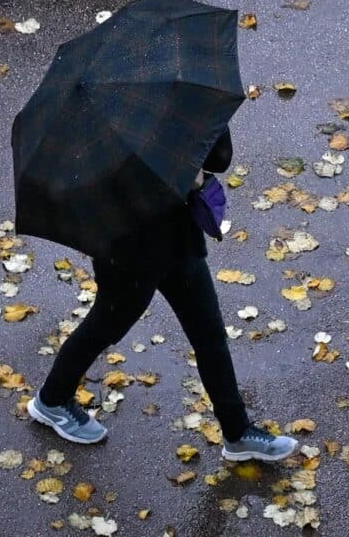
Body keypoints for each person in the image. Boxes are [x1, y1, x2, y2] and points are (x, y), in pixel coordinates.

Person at [27, 129, 298, 462]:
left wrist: (191, 163)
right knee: (106, 325)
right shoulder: (108, 118)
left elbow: (218, 157)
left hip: (178, 237)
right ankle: (52, 399)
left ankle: (237, 432)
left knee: (209, 333)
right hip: (125, 247)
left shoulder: (176, 99)